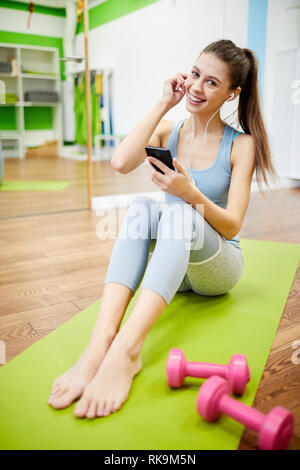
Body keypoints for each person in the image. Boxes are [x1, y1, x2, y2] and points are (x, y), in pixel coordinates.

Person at [48, 39, 278, 419]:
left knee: (183, 215)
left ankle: (127, 351)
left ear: (232, 93)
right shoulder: (168, 129)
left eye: (211, 83)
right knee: (140, 207)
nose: (196, 87)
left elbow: (234, 224)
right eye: (194, 74)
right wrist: (163, 103)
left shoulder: (241, 145)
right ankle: (102, 341)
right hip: (176, 267)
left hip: (217, 268)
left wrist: (191, 194)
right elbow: (121, 162)